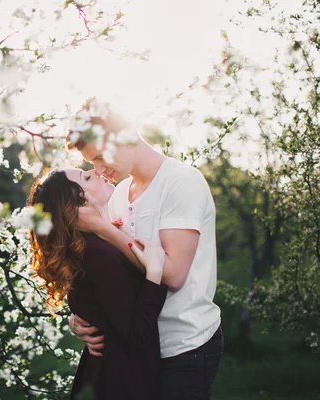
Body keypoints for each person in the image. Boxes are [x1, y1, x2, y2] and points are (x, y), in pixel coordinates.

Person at [66, 99, 223, 400]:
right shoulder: (120, 193)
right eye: (91, 164)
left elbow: (174, 274)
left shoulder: (181, 183)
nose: (98, 170)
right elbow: (111, 272)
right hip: (137, 347)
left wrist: (104, 228)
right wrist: (80, 316)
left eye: (100, 157)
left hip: (185, 348)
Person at [28, 168, 167, 400]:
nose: (96, 171)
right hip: (122, 384)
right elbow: (136, 333)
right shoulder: (97, 255)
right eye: (87, 177)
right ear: (78, 204)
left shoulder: (89, 246)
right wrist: (154, 273)